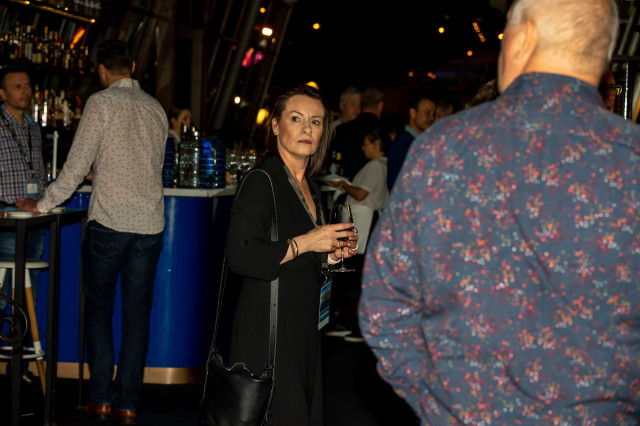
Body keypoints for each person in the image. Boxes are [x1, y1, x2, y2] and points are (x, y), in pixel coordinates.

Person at [360, 0, 640, 423]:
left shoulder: (443, 149)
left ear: (523, 38)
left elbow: (385, 305)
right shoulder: (631, 159)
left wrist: (440, 403)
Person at [18, 39, 168, 424]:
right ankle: (128, 401)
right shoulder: (155, 108)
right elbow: (146, 164)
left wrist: (43, 204)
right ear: (132, 67)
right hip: (149, 225)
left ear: (102, 71)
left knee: (99, 310)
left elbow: (74, 166)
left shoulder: (101, 104)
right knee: (137, 316)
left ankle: (100, 398)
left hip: (109, 223)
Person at [225, 85, 358, 425]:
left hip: (303, 326)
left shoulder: (311, 187)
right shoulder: (261, 180)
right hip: (268, 328)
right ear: (275, 125)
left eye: (315, 122)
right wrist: (307, 242)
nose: (306, 128)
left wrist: (330, 255)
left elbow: (305, 255)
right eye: (296, 119)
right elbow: (240, 254)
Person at [0, 63, 47, 386]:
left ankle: (18, 367)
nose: (25, 91)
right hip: (5, 217)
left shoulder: (33, 127)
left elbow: (38, 171)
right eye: (18, 86)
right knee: (6, 292)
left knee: (29, 290)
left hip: (35, 216)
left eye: (28, 85)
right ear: (2, 93)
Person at [325, 127, 390, 341]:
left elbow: (361, 194)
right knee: (357, 273)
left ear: (376, 145)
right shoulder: (383, 165)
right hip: (369, 222)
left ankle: (349, 322)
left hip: (365, 221)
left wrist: (343, 185)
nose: (363, 148)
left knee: (353, 273)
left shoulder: (375, 166)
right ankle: (350, 321)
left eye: (366, 144)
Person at [330, 87, 384, 181]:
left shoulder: (367, 127)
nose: (357, 109)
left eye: (359, 105)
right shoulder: (331, 129)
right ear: (342, 106)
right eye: (353, 104)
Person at [386, 96, 435, 190]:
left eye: (433, 114)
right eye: (427, 113)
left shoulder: (422, 142)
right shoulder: (403, 143)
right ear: (413, 113)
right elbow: (395, 181)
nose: (431, 118)